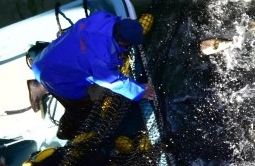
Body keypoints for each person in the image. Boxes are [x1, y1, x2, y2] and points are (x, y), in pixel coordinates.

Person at [26, 12, 157, 139]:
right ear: (123, 42)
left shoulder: (103, 17)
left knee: (68, 66)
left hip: (45, 60)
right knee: (82, 110)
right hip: (56, 78)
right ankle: (65, 131)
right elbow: (113, 82)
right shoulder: (101, 58)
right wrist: (140, 91)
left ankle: (38, 85)